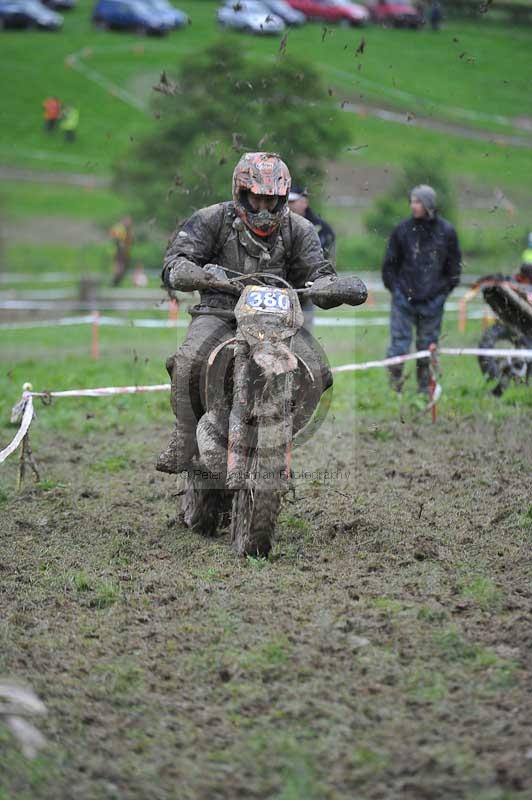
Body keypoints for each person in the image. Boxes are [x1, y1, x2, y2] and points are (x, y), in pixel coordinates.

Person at [156, 152, 339, 475]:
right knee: (190, 361)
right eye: (257, 199)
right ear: (241, 193)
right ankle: (185, 434)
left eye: (272, 200)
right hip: (219, 310)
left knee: (317, 371)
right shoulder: (212, 219)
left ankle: (281, 437)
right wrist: (193, 273)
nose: (264, 208)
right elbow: (176, 260)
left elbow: (318, 270)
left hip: (278, 320)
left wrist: (329, 287)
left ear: (283, 197)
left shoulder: (300, 229)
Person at [382, 184, 462, 394]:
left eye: (417, 201)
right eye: (412, 201)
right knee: (399, 346)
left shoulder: (446, 232)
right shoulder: (402, 230)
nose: (413, 205)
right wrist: (397, 291)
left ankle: (425, 389)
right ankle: (395, 388)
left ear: (428, 204)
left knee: (427, 348)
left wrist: (442, 294)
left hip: (433, 301)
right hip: (403, 300)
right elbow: (389, 265)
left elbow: (454, 268)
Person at [288, 184, 336, 331]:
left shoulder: (321, 229)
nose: (288, 205)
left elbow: (329, 260)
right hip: (279, 288)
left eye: (292, 201)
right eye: (287, 201)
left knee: (305, 338)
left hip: (306, 291)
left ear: (305, 202)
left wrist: (322, 283)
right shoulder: (275, 225)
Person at [109, 216, 134, 287]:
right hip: (119, 252)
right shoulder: (120, 228)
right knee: (119, 268)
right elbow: (115, 237)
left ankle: (115, 282)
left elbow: (129, 241)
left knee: (122, 269)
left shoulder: (128, 230)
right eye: (127, 221)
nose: (129, 223)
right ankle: (114, 282)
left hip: (124, 253)